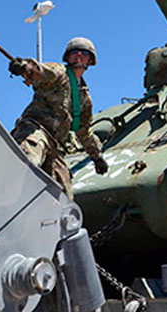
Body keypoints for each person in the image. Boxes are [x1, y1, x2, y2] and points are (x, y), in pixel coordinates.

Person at [8, 37, 108, 198]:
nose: (79, 55)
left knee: (65, 197)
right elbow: (42, 72)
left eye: (84, 53)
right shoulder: (60, 72)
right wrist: (25, 68)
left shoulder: (84, 99)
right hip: (36, 129)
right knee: (28, 161)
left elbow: (83, 131)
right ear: (68, 57)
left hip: (57, 147)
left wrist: (97, 157)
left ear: (90, 60)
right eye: (74, 52)